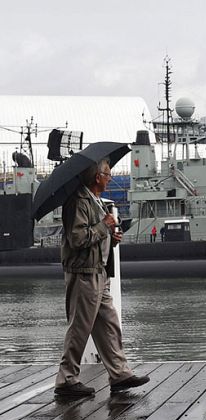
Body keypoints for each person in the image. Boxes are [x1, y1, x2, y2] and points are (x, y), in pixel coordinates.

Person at [54, 159, 149, 397]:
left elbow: (95, 234)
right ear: (97, 177)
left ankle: (119, 374)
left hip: (99, 272)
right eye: (108, 174)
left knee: (109, 325)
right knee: (79, 328)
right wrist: (105, 228)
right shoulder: (78, 202)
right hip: (84, 274)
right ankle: (66, 379)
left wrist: (110, 237)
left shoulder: (94, 200)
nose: (110, 178)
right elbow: (77, 239)